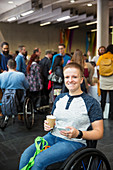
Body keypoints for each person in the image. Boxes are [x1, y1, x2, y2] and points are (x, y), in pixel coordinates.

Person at [19, 62, 103, 170]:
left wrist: (78, 133)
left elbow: (99, 133)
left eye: (74, 77)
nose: (70, 80)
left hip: (73, 142)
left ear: (81, 79)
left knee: (39, 160)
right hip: (52, 136)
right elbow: (54, 119)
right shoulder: (59, 99)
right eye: (67, 77)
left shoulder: (91, 103)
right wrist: (49, 125)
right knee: (26, 156)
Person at [97, 44, 113, 120]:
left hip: (103, 79)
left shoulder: (102, 57)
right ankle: (111, 115)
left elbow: (97, 66)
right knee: (112, 99)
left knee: (103, 98)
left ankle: (101, 114)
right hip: (111, 79)